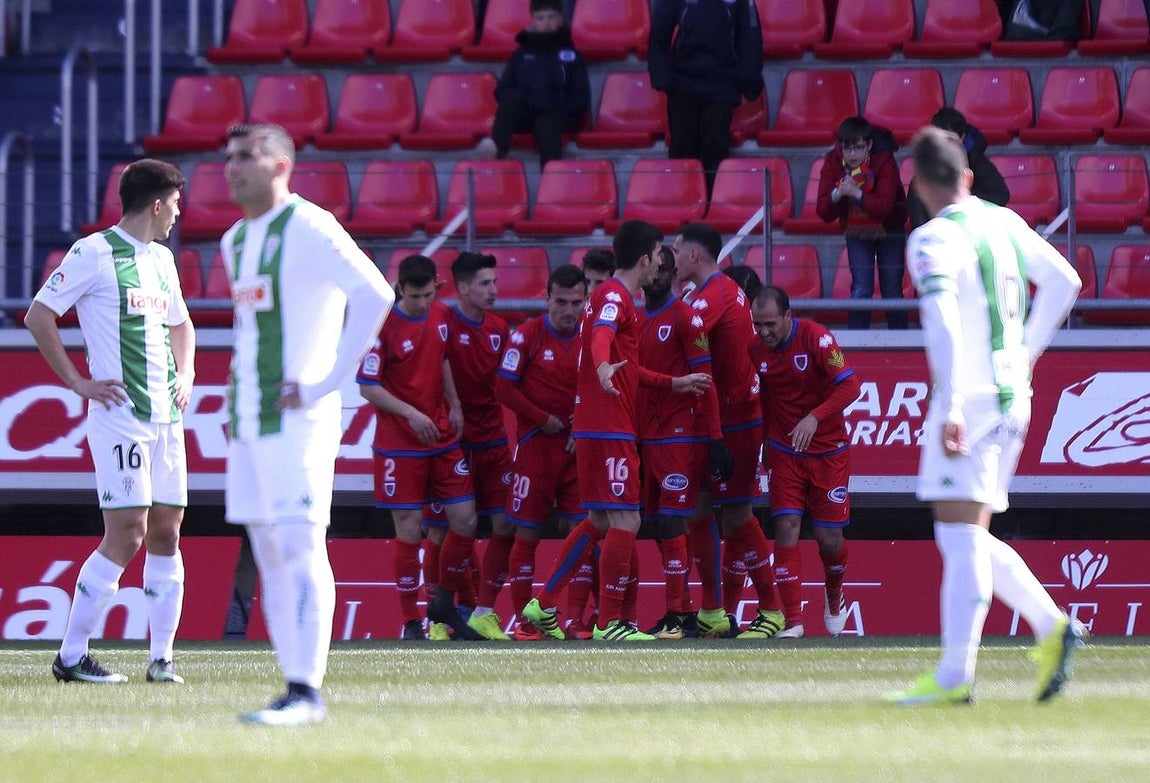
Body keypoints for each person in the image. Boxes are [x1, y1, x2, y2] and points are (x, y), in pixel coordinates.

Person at [886, 126, 1084, 706]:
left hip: (970, 399)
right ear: (967, 177)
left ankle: (955, 678)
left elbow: (942, 321)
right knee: (965, 533)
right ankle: (1052, 626)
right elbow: (1065, 282)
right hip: (1009, 394)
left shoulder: (931, 240)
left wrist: (947, 402)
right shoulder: (1003, 221)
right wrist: (1024, 355)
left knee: (960, 535)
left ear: (917, 183)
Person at [222, 123, 394, 725]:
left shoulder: (310, 225)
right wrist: (231, 402)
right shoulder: (234, 240)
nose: (232, 167)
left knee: (298, 542)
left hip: (301, 419)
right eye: (228, 157)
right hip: (250, 419)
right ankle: (292, 688)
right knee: (268, 549)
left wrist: (325, 384)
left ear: (280, 165)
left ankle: (306, 691)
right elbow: (250, 334)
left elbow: (375, 294)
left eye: (246, 156)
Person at [25, 159, 194, 685]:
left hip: (167, 418)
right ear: (158, 203)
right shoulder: (93, 252)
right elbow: (39, 314)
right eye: (176, 203)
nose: (180, 213)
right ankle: (71, 657)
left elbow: (181, 322)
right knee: (127, 533)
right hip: (121, 416)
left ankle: (162, 659)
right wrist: (77, 382)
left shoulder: (163, 260)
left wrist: (185, 371)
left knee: (167, 532)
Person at [523, 220, 711, 641]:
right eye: (660, 255)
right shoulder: (614, 296)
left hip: (598, 423)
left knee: (599, 518)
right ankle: (611, 623)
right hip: (610, 425)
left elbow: (625, 362)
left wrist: (671, 382)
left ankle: (544, 601)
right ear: (645, 259)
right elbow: (603, 338)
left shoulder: (613, 296)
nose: (662, 263)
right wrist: (603, 366)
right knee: (627, 518)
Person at [357, 254, 485, 644]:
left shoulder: (441, 316)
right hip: (401, 445)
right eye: (415, 297)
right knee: (409, 531)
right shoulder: (383, 326)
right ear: (400, 290)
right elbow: (368, 386)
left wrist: (455, 404)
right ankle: (412, 620)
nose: (422, 303)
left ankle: (443, 601)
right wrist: (412, 413)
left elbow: (443, 359)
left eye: (428, 295)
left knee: (465, 521)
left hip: (442, 436)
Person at [673, 223, 784, 640]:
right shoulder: (708, 293)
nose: (673, 256)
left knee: (737, 514)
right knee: (700, 512)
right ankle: (714, 610)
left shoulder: (715, 295)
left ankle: (773, 610)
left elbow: (682, 335)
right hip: (715, 418)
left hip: (736, 421)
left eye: (678, 250)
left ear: (695, 256)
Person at [750, 285, 862, 638]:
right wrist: (766, 442)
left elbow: (851, 386)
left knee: (829, 540)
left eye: (770, 323)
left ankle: (834, 592)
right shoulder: (756, 350)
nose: (764, 332)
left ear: (788, 316)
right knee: (785, 528)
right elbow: (766, 397)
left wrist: (815, 416)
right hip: (785, 453)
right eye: (757, 325)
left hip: (829, 453)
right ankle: (793, 620)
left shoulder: (816, 338)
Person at [639, 248, 726, 640]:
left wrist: (715, 439)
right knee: (657, 523)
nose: (657, 276)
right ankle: (682, 611)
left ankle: (678, 612)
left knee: (675, 519)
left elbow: (704, 383)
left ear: (676, 275)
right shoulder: (633, 317)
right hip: (646, 434)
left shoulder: (688, 318)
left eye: (665, 270)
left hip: (680, 434)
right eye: (654, 269)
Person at [498, 264, 587, 640]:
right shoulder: (526, 336)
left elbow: (606, 384)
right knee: (527, 534)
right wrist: (542, 419)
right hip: (536, 448)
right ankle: (524, 620)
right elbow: (504, 388)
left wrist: (581, 424)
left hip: (576, 448)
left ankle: (577, 620)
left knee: (582, 529)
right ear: (547, 298)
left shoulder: (591, 337)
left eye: (577, 303)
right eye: (561, 302)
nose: (569, 311)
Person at [441, 251, 514, 641]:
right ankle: (442, 614)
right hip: (452, 444)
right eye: (485, 284)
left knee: (505, 524)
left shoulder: (500, 329)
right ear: (463, 288)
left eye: (495, 282)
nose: (494, 290)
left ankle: (484, 611)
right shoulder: (443, 324)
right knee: (447, 531)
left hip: (493, 439)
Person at [648, 0, 764, 195]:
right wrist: (662, 76)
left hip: (722, 84)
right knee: (682, 148)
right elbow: (658, 35)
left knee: (715, 147)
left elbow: (750, 36)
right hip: (683, 83)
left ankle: (714, 203)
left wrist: (749, 79)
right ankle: (682, 201)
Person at [815, 116, 909, 330]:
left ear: (869, 145)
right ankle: (858, 340)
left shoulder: (885, 160)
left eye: (858, 148)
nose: (852, 155)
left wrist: (856, 193)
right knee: (861, 287)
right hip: (855, 230)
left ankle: (901, 340)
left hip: (890, 230)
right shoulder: (833, 161)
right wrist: (839, 193)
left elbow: (885, 208)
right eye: (847, 149)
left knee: (892, 288)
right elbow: (823, 211)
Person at [475, 0, 590, 168]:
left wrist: (552, 104)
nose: (546, 23)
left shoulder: (572, 56)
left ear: (560, 19)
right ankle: (495, 154)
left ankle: (551, 178)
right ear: (533, 21)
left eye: (551, 17)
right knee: (509, 104)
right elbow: (502, 90)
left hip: (558, 115)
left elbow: (580, 98)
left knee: (548, 122)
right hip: (526, 113)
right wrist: (528, 98)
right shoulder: (521, 54)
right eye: (541, 18)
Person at [908, 108, 1010, 230]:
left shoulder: (976, 160)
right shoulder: (924, 175)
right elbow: (918, 221)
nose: (943, 145)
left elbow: (1001, 195)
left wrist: (962, 195)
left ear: (962, 137)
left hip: (974, 228)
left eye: (949, 138)